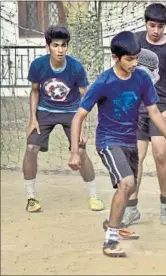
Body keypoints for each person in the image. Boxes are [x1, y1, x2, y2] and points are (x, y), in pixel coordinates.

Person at [68, 31, 166, 257]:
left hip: (129, 141)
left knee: (128, 186)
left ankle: (113, 222)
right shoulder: (104, 82)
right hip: (108, 141)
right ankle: (110, 241)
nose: (134, 63)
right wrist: (75, 152)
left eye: (137, 58)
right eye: (129, 59)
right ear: (115, 57)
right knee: (127, 182)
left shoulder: (142, 79)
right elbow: (78, 117)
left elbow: (155, 113)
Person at [23, 25, 104, 213]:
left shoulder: (76, 67)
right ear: (48, 47)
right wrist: (33, 119)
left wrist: (83, 126)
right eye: (56, 45)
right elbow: (34, 91)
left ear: (67, 47)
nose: (60, 50)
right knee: (31, 147)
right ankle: (31, 197)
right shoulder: (38, 65)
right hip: (45, 110)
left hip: (72, 112)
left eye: (63, 45)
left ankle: (94, 195)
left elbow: (85, 97)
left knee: (81, 152)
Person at [121, 3, 166, 226]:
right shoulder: (135, 42)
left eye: (160, 26)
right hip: (137, 108)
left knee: (161, 154)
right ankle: (131, 207)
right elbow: (121, 68)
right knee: (135, 156)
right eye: (152, 25)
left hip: (162, 108)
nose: (156, 30)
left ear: (165, 26)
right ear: (146, 23)